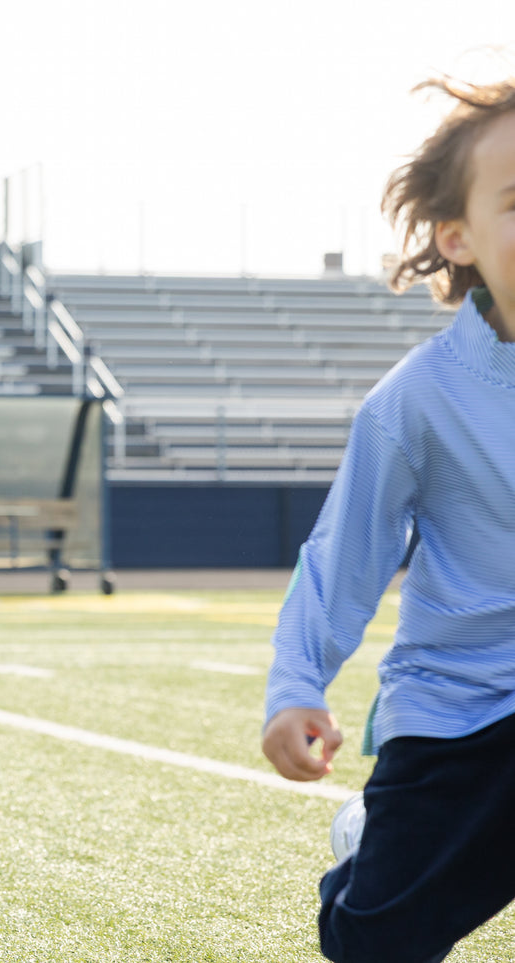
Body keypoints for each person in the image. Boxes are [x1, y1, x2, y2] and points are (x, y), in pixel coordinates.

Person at [262, 75, 515, 963]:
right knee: (376, 942)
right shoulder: (416, 399)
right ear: (458, 237)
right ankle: (365, 852)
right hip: (459, 710)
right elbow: (345, 557)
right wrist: (296, 687)